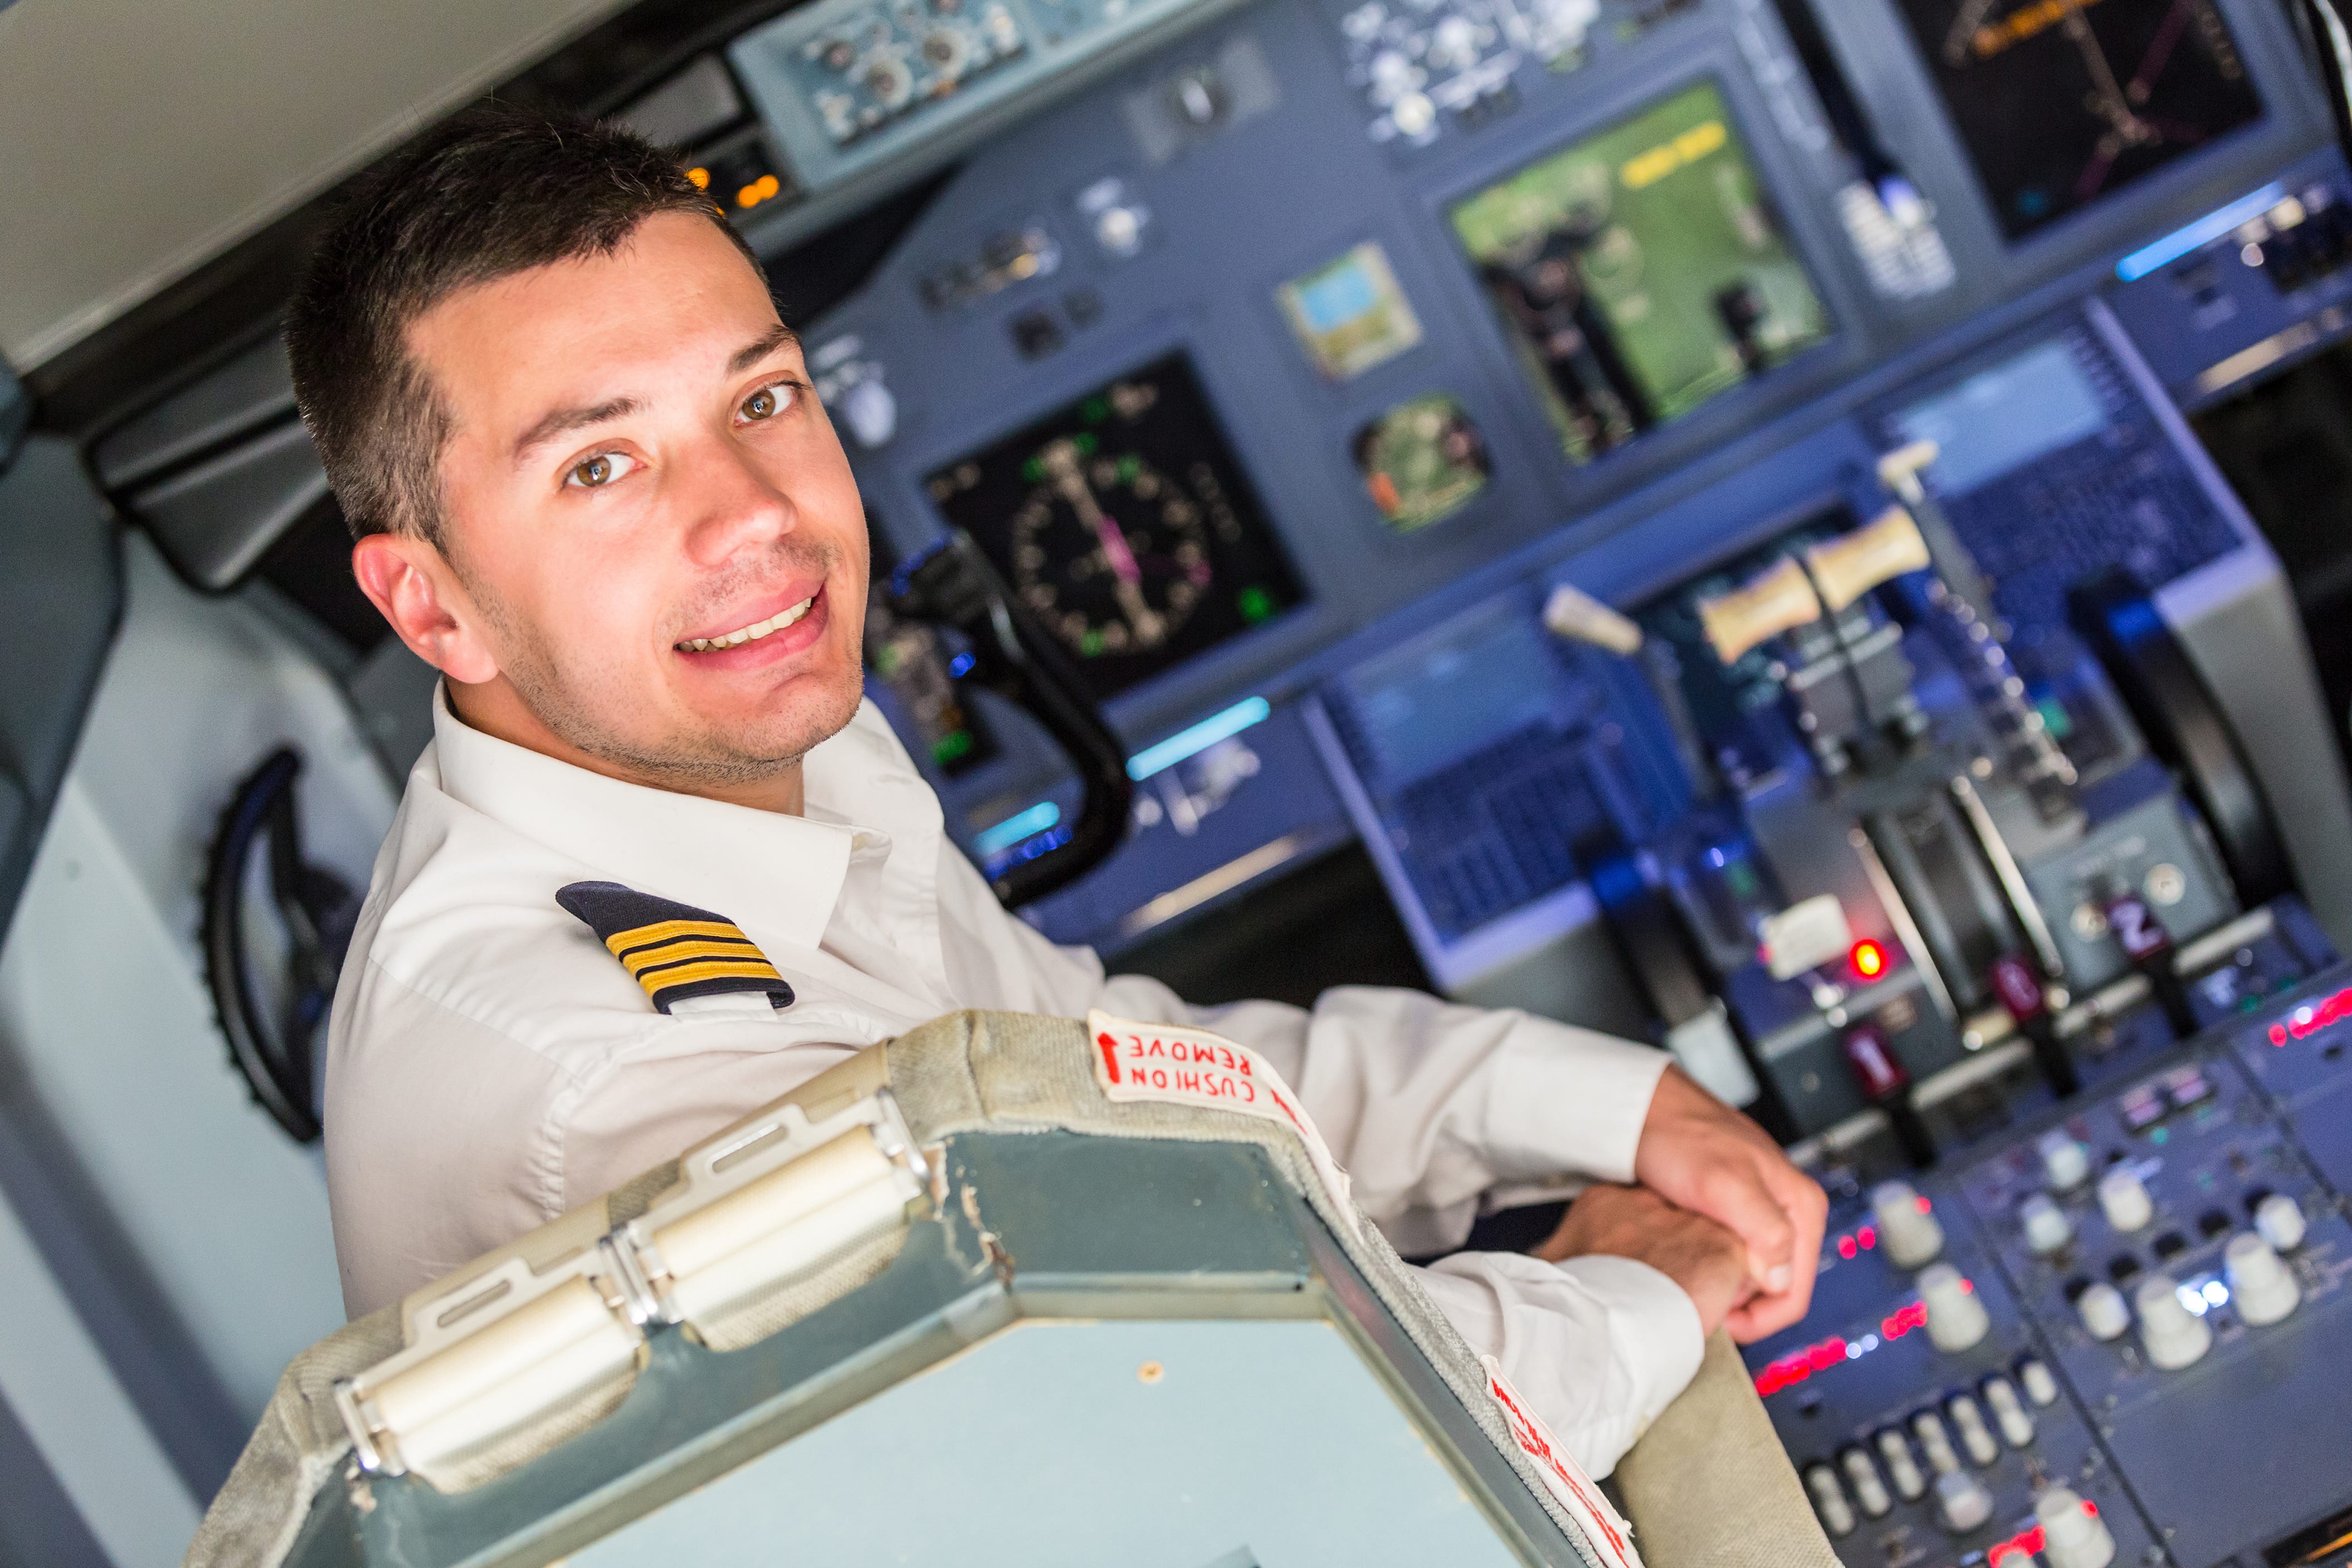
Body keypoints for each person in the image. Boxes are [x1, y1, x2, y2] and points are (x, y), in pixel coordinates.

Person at [291, 106, 1827, 1480]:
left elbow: (1125, 1092)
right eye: (600, 468)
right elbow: (1215, 1448)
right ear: (432, 606)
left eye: (760, 401)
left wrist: (1588, 1102)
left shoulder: (751, 737)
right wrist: (1630, 1293)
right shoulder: (597, 1077)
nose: (755, 518)